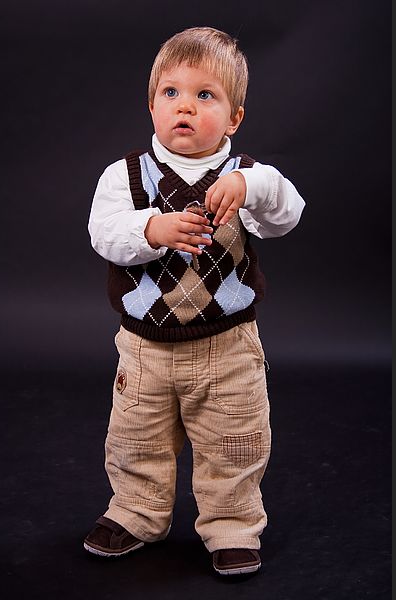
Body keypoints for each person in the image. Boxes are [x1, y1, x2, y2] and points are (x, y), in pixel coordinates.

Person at [84, 26, 305, 576]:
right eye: (172, 93)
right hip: (144, 350)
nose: (186, 106)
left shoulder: (245, 178)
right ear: (152, 105)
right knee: (136, 439)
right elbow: (103, 233)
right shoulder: (127, 177)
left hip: (228, 347)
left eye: (205, 95)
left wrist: (257, 187)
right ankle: (136, 512)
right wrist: (153, 228)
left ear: (234, 118)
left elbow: (287, 216)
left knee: (234, 440)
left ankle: (232, 524)